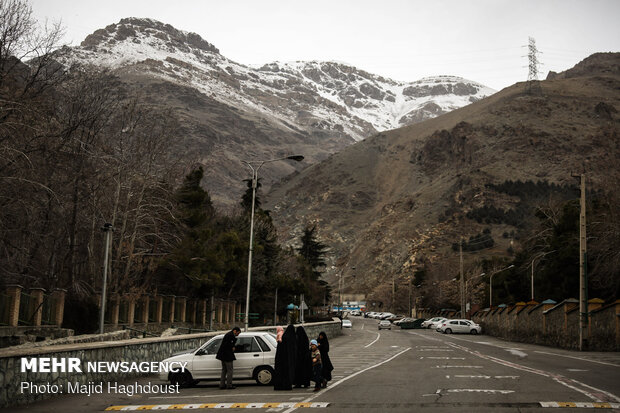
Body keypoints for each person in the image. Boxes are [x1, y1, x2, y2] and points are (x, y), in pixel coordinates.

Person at [273, 324, 297, 390]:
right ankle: (287, 385)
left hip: (281, 360)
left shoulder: (284, 338)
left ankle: (280, 385)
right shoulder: (292, 338)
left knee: (281, 373)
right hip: (289, 361)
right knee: (287, 373)